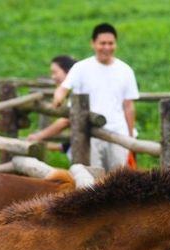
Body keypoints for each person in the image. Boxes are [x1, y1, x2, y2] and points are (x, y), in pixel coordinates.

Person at [52, 23, 139, 172]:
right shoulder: (81, 68)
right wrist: (59, 97)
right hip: (89, 135)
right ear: (93, 44)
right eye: (102, 43)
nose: (107, 47)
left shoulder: (125, 70)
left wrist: (129, 137)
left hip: (118, 134)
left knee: (117, 182)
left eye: (110, 43)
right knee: (92, 181)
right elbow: (63, 88)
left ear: (115, 44)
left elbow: (128, 106)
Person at [27, 55, 77, 161]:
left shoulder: (78, 92)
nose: (53, 77)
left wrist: (38, 136)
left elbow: (66, 121)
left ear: (68, 72)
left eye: (55, 72)